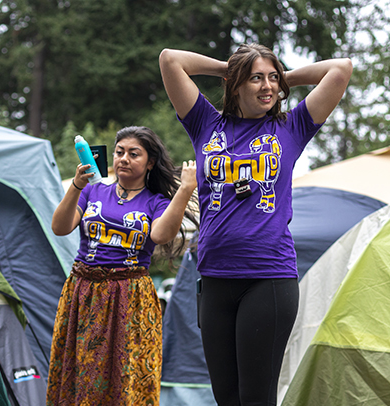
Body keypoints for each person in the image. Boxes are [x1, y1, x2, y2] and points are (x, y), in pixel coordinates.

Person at [159, 44, 352, 405]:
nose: (268, 87)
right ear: (235, 85)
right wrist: (229, 69)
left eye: (272, 79)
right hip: (215, 278)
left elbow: (340, 69)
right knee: (226, 398)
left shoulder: (290, 127)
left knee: (256, 399)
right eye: (256, 79)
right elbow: (170, 59)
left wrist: (283, 78)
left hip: (268, 279)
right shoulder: (205, 123)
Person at [48, 126, 197, 406]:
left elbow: (161, 236)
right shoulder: (93, 190)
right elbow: (60, 227)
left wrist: (186, 189)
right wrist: (76, 185)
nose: (123, 159)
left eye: (133, 154)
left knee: (125, 375)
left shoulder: (156, 202)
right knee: (82, 372)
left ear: (150, 162)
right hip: (84, 294)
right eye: (119, 152)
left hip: (129, 297)